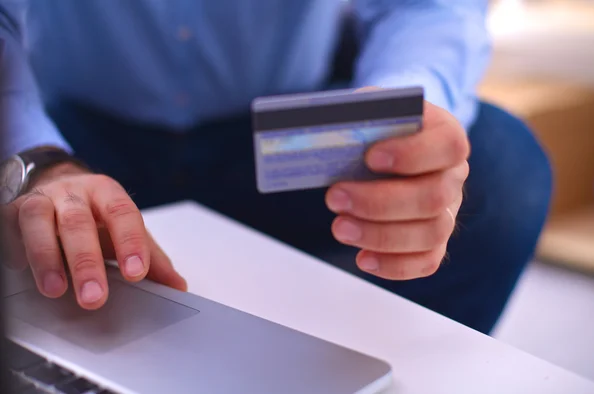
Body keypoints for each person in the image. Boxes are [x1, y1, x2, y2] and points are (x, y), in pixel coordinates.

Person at [0, 0, 552, 335]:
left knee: (501, 175)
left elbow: (423, 8)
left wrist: (400, 119)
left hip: (285, 130)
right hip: (76, 137)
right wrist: (37, 158)